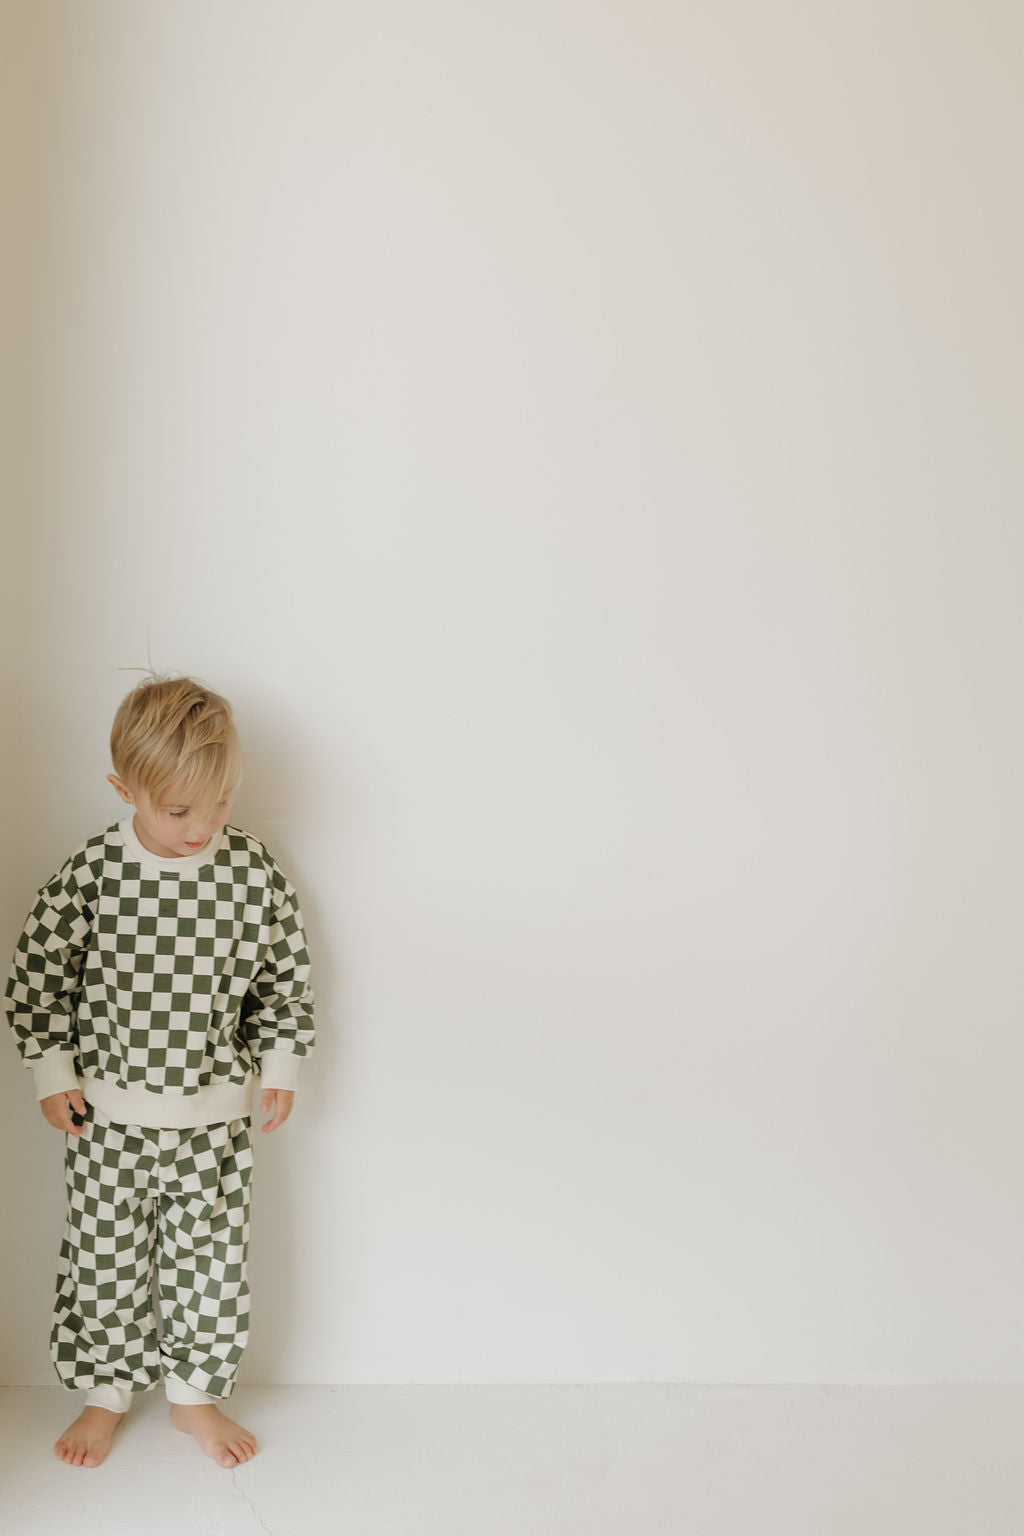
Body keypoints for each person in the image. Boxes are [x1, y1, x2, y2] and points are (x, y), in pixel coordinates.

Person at [4, 674, 315, 1469]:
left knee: (211, 1268)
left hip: (213, 1124)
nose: (202, 826)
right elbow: (39, 973)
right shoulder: (96, 873)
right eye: (179, 810)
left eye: (220, 803)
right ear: (125, 789)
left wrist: (280, 1063)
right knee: (103, 1262)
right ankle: (104, 1393)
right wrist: (51, 1071)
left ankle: (194, 1398)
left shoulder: (250, 873)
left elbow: (284, 975)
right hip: (105, 1120)